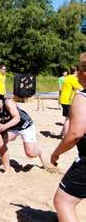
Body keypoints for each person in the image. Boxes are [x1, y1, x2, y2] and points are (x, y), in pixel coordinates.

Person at [0, 89, 49, 174]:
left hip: (25, 125)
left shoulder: (8, 102)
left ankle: (40, 152)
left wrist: (4, 126)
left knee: (30, 153)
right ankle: (8, 170)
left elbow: (17, 118)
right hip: (12, 128)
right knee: (0, 140)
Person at [51, 53, 86, 222]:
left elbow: (75, 133)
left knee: (63, 202)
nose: (76, 72)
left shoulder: (82, 97)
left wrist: (56, 153)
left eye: (78, 69)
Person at [59, 66, 82, 137]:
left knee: (67, 118)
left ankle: (62, 134)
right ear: (76, 72)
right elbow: (81, 88)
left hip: (64, 100)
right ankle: (64, 136)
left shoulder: (67, 77)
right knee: (69, 119)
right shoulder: (73, 79)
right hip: (68, 101)